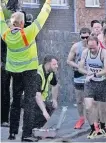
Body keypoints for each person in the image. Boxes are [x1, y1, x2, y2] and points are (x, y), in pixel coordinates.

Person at [1, 0, 52, 141]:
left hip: (14, 72)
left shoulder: (5, 34)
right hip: (29, 72)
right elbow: (42, 17)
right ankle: (27, 135)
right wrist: (48, 3)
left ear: (11, 23)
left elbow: (0, 20)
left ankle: (12, 133)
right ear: (23, 24)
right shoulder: (28, 33)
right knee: (29, 102)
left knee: (15, 101)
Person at [78, 36, 106, 139]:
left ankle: (102, 127)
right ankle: (93, 128)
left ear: (98, 44)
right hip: (90, 83)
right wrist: (87, 73)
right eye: (90, 47)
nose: (92, 49)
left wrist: (94, 75)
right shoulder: (85, 53)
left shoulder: (103, 53)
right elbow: (80, 68)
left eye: (93, 47)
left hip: (103, 83)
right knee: (88, 106)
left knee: (103, 109)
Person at [66, 27, 91, 129]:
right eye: (83, 37)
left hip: (90, 75)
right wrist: (78, 66)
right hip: (79, 75)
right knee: (79, 99)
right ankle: (81, 118)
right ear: (80, 36)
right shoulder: (76, 46)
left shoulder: (94, 46)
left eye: (87, 37)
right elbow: (69, 60)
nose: (85, 39)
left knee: (90, 100)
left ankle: (93, 120)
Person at [34, 55, 59, 129]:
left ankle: (43, 127)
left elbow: (55, 85)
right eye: (54, 64)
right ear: (48, 64)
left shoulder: (51, 72)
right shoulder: (38, 73)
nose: (57, 66)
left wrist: (54, 99)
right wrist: (44, 111)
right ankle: (35, 128)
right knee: (42, 109)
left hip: (42, 98)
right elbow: (37, 95)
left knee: (51, 106)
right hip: (29, 98)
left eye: (57, 64)